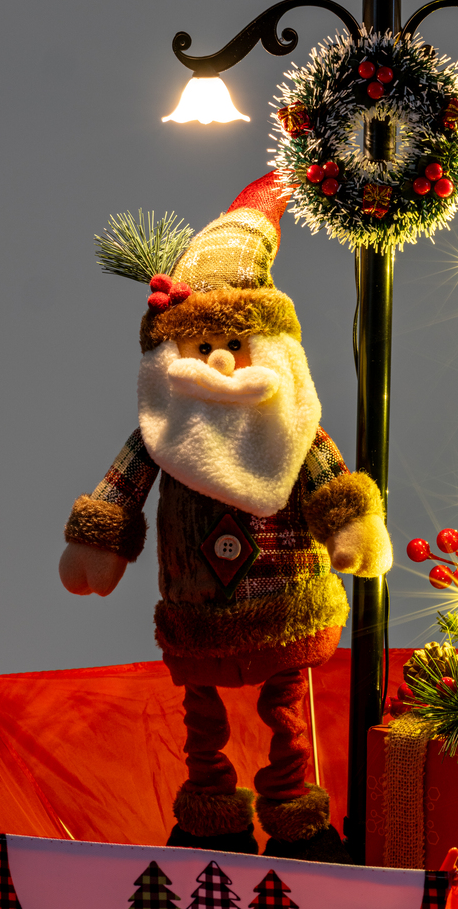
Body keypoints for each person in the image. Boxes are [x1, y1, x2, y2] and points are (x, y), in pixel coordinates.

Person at [59, 172, 392, 860]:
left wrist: (350, 524)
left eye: (235, 346)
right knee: (202, 717)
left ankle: (294, 808)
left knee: (286, 709)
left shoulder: (292, 430)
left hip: (286, 598)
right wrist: (100, 540)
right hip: (197, 604)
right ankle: (209, 807)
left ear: (269, 350)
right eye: (199, 347)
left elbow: (328, 480)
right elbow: (123, 485)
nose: (217, 360)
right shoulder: (164, 431)